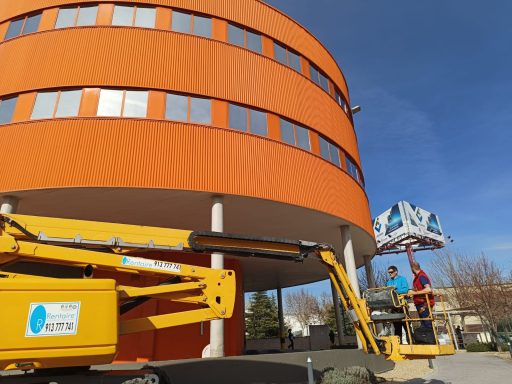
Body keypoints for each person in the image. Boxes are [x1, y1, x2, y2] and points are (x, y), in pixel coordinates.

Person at [408, 261, 435, 330]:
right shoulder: (418, 277)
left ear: (412, 268)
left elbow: (428, 289)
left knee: (427, 324)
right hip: (420, 303)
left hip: (424, 304)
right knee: (424, 324)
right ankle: (428, 339)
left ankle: (432, 340)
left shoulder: (421, 276)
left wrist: (415, 293)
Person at [386, 265, 409, 342]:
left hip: (402, 305)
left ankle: (412, 342)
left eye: (391, 272)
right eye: (389, 272)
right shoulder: (389, 282)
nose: (390, 274)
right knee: (397, 327)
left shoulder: (402, 279)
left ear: (396, 272)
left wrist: (395, 291)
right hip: (394, 307)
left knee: (406, 326)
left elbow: (405, 290)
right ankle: (399, 345)